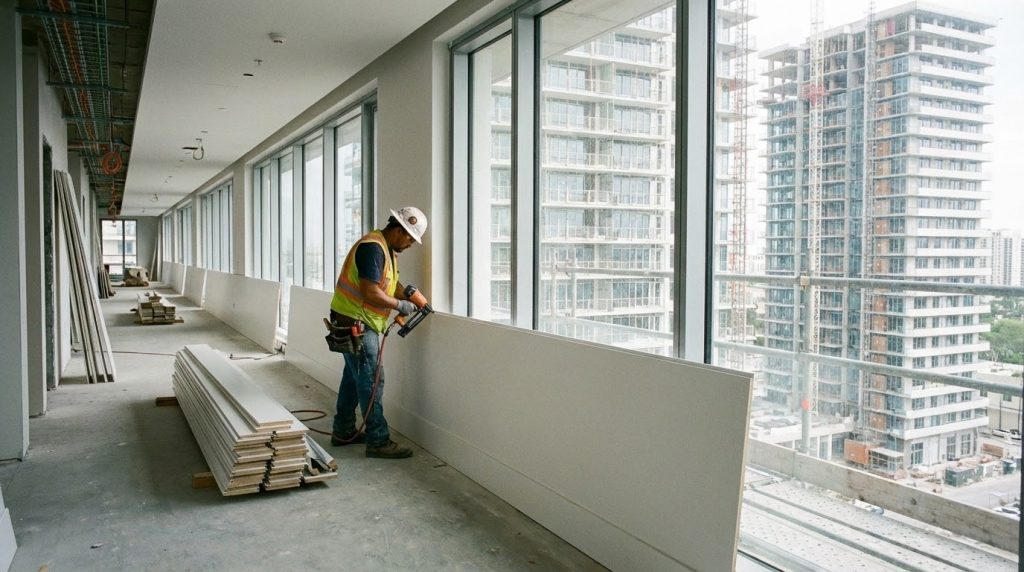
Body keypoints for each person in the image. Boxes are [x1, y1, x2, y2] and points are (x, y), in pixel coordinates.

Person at [329, 206, 427, 459]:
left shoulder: (384, 249)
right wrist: (401, 305)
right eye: (409, 239)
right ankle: (378, 439)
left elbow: (387, 285)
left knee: (354, 377)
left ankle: (343, 430)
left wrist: (409, 294)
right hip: (357, 322)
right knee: (372, 379)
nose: (410, 245)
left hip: (353, 319)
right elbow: (371, 292)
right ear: (399, 229)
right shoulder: (373, 248)